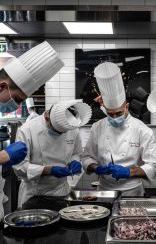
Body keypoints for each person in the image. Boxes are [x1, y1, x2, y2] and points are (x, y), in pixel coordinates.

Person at [0, 41, 64, 219]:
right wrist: (3, 157)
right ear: (2, 87)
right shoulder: (29, 129)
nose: (17, 105)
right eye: (18, 99)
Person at [82, 62, 156, 196]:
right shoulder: (98, 127)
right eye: (110, 114)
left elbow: (155, 166)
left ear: (126, 107)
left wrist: (129, 172)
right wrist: (96, 168)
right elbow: (86, 157)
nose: (114, 118)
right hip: (104, 190)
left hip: (132, 192)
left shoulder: (142, 130)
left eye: (118, 113)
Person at [13, 100, 92, 211]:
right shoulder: (27, 130)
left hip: (61, 192)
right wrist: (49, 170)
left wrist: (75, 161)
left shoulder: (72, 128)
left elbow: (76, 153)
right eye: (58, 132)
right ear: (47, 117)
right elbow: (19, 167)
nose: (62, 135)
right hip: (34, 194)